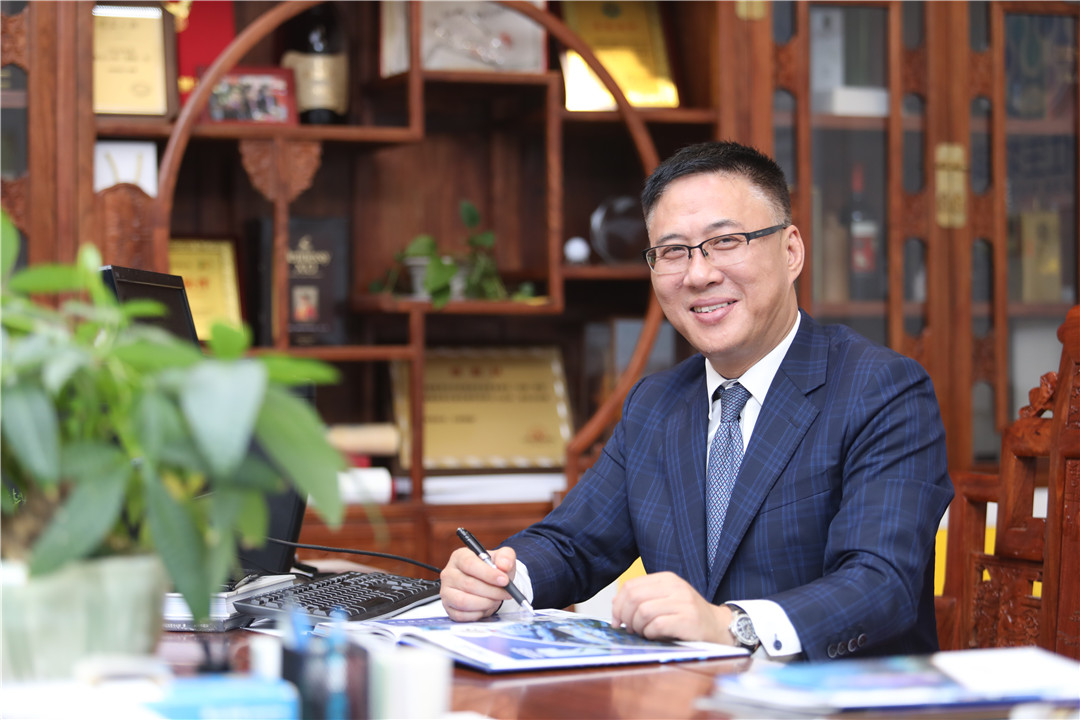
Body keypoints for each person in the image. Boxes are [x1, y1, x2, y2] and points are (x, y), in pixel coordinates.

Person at [439, 140, 953, 661]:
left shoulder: (882, 389)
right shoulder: (656, 403)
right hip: (685, 693)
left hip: (835, 696)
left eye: (726, 241)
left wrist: (730, 625)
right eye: (672, 252)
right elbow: (574, 543)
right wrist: (502, 577)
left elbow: (879, 582)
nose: (699, 274)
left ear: (791, 251)